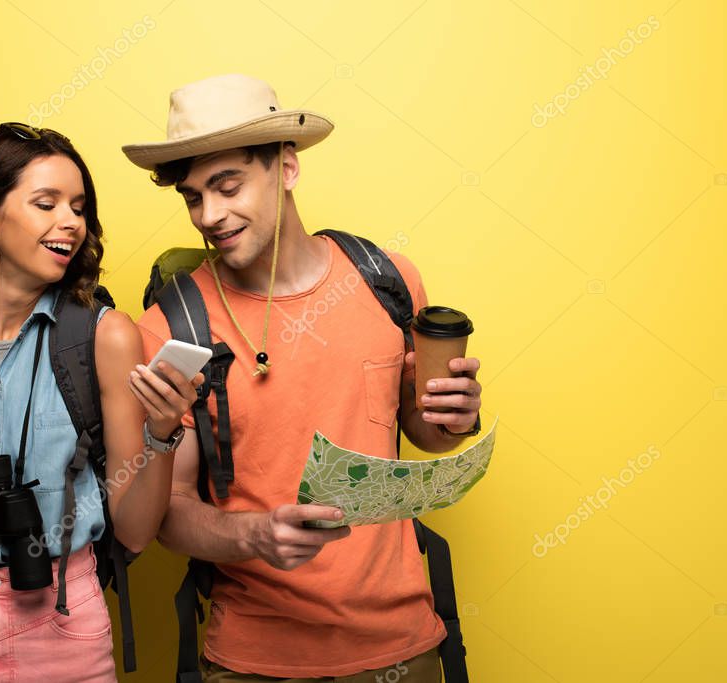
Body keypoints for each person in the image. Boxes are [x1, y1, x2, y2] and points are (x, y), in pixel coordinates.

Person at [125, 75, 483, 681]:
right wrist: (254, 536)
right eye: (192, 197)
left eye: (228, 185)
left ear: (286, 168)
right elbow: (169, 514)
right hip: (253, 660)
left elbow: (427, 435)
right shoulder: (169, 330)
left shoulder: (386, 279)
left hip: (404, 644)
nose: (209, 215)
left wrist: (455, 416)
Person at [0, 123, 201, 681]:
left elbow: (136, 531)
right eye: (46, 203)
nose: (70, 222)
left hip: (62, 622)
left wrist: (162, 435)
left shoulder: (104, 337)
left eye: (78, 207)